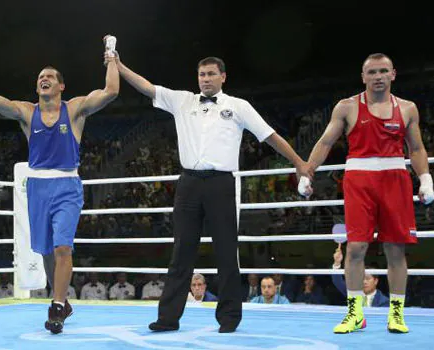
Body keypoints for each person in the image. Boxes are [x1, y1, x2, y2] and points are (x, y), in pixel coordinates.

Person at [114, 52, 311, 333]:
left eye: (210, 74)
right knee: (181, 251)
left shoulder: (238, 106)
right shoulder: (183, 100)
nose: (205, 79)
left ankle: (229, 318)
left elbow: (269, 135)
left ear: (223, 77)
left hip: (221, 184)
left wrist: (299, 163)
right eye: (201, 75)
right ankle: (168, 318)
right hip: (189, 184)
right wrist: (119, 66)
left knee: (227, 252)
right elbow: (146, 87)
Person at [0, 36, 119, 334]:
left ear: (61, 86)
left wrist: (111, 57)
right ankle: (60, 298)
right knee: (47, 250)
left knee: (63, 248)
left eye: (50, 76)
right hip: (37, 188)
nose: (44, 79)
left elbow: (111, 90)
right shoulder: (26, 112)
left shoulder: (74, 110)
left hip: (66, 186)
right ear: (37, 88)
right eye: (40, 78)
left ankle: (57, 307)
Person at [299, 53, 434, 334]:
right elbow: (325, 142)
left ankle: (396, 314)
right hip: (359, 180)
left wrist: (425, 179)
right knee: (356, 247)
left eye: (383, 71)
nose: (378, 76)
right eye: (372, 72)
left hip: (395, 179)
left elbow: (417, 149)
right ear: (363, 77)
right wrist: (307, 172)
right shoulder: (347, 107)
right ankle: (355, 313)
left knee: (395, 249)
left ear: (393, 74)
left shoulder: (407, 108)